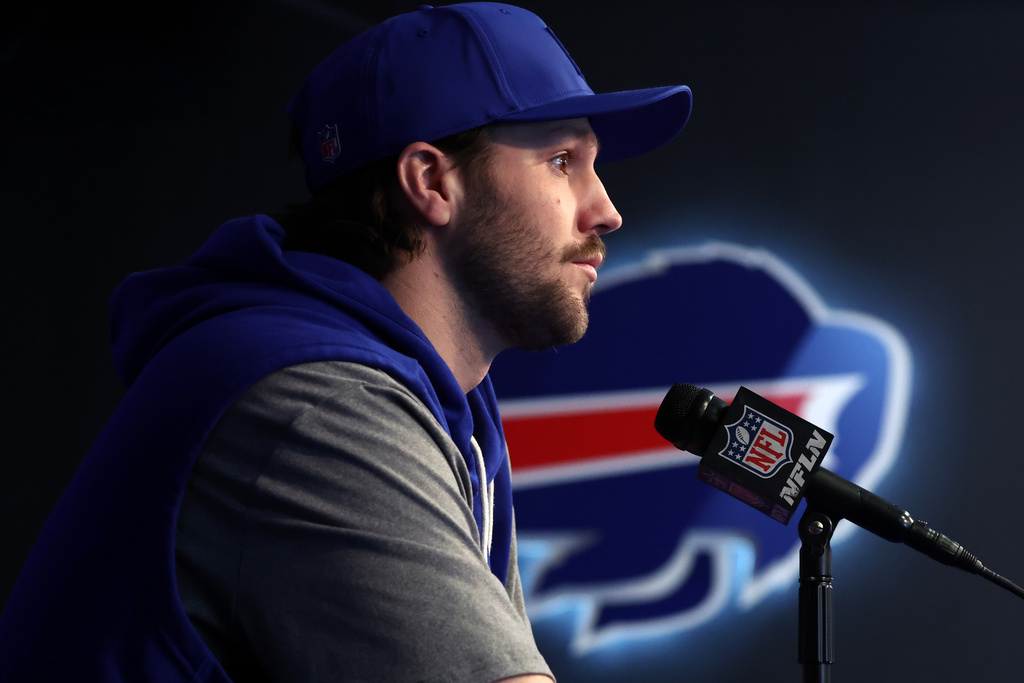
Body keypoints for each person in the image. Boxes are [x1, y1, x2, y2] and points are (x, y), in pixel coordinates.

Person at [0, 3, 691, 681]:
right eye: (563, 161)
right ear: (430, 181)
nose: (607, 209)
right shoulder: (315, 402)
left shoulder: (453, 407)